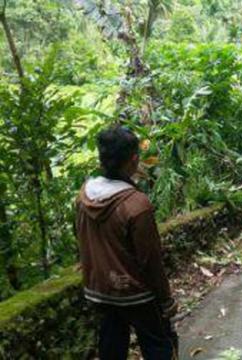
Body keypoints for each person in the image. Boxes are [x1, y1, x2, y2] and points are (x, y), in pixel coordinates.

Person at [75, 126, 178, 360]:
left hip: (98, 289)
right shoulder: (136, 204)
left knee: (111, 345)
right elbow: (150, 260)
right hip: (135, 293)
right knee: (157, 344)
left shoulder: (83, 196)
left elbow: (81, 239)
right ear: (133, 160)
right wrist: (166, 300)